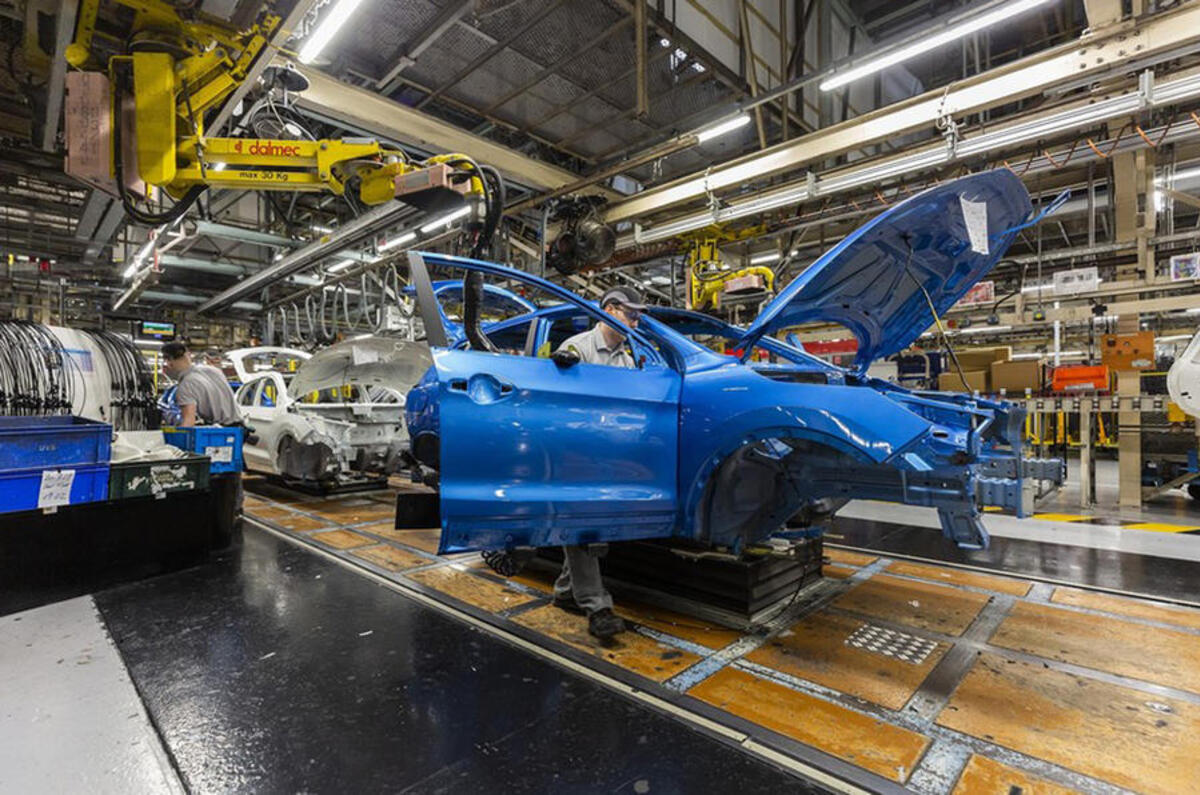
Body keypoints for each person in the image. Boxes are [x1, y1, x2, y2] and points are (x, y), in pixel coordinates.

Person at [550, 286, 646, 642]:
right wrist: (562, 367)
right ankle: (596, 605)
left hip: (607, 454)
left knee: (591, 526)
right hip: (574, 452)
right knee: (582, 526)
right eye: (630, 313)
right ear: (609, 309)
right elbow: (557, 377)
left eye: (638, 315)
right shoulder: (578, 345)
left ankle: (564, 591)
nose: (635, 320)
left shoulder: (627, 359)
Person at [162, 341, 244, 545]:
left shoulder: (186, 386)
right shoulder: (211, 370)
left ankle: (215, 519)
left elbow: (188, 422)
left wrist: (173, 447)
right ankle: (235, 511)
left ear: (170, 362)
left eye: (167, 362)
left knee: (214, 477)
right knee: (233, 471)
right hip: (236, 430)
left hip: (217, 434)